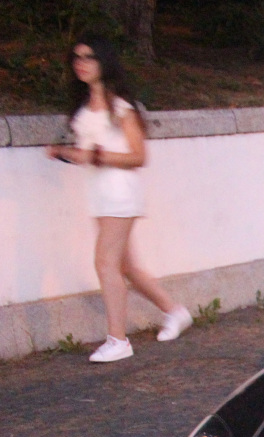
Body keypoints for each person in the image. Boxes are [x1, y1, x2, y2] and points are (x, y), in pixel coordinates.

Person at [45, 34, 191, 363]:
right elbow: (89, 154)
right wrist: (66, 153)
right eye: (77, 58)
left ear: (104, 62)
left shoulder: (121, 108)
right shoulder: (83, 107)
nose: (81, 63)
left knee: (105, 263)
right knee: (127, 265)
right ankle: (175, 312)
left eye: (89, 57)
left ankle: (118, 340)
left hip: (120, 194)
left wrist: (94, 155)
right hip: (100, 195)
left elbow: (138, 157)